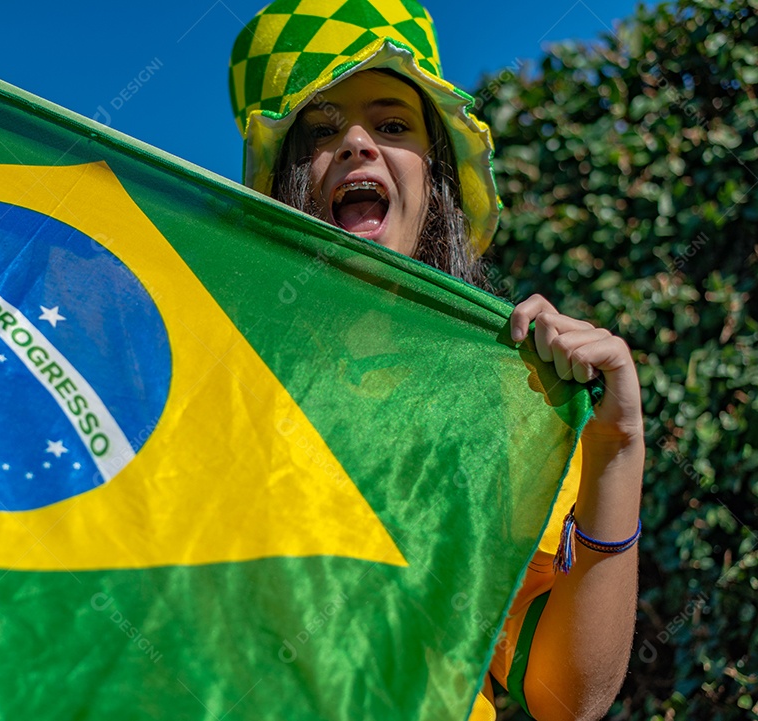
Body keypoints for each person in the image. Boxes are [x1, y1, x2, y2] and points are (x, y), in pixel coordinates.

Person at [229, 2, 645, 719]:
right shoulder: (210, 362)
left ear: (438, 182)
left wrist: (617, 446)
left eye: (392, 125)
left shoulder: (505, 395)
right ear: (282, 184)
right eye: (322, 130)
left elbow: (564, 697)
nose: (358, 144)